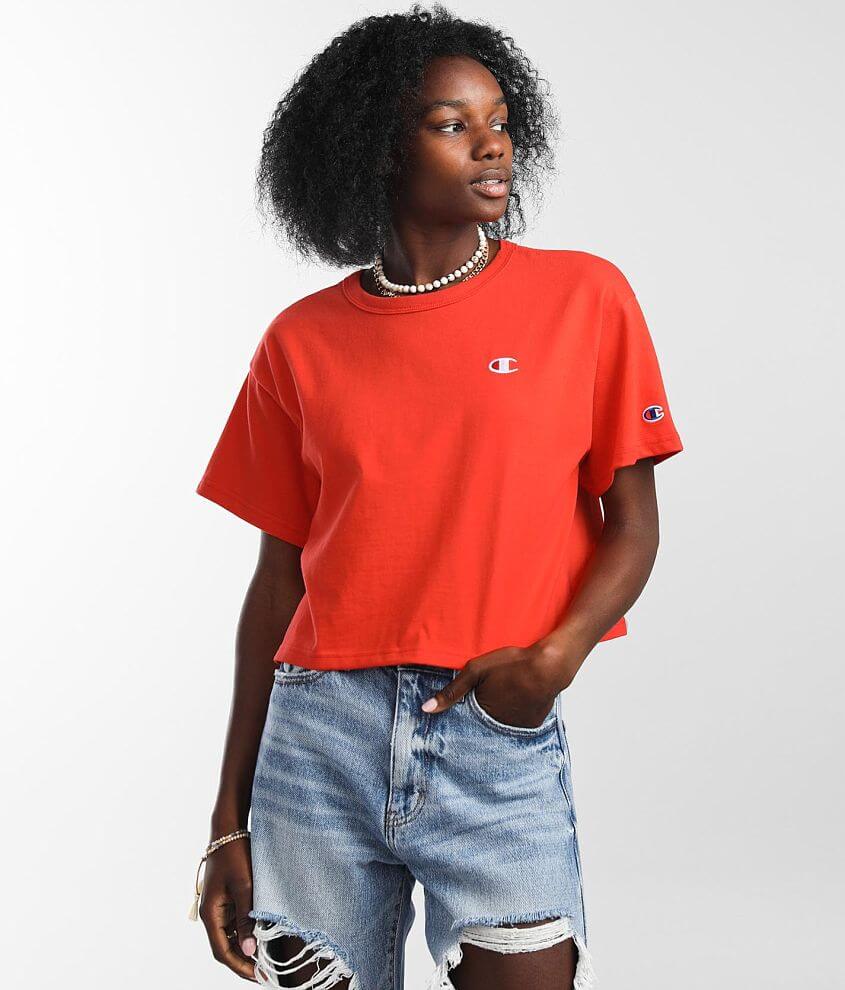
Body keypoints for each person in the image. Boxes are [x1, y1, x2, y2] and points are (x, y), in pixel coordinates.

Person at [190, 5, 683, 989]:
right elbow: (277, 582)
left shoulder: (584, 298)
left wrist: (550, 662)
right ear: (377, 147)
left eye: (498, 120)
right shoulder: (299, 341)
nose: (492, 143)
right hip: (315, 743)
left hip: (491, 734)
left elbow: (632, 526)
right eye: (451, 124)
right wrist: (226, 817)